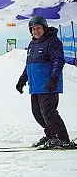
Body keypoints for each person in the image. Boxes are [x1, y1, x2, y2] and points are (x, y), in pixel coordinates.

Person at [16, 16, 71, 148]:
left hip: (48, 84)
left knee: (48, 112)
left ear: (44, 28)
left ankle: (62, 138)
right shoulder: (32, 44)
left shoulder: (52, 41)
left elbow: (58, 60)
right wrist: (23, 79)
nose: (36, 31)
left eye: (38, 28)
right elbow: (29, 64)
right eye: (33, 29)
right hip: (36, 86)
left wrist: (53, 79)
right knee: (37, 113)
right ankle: (51, 135)